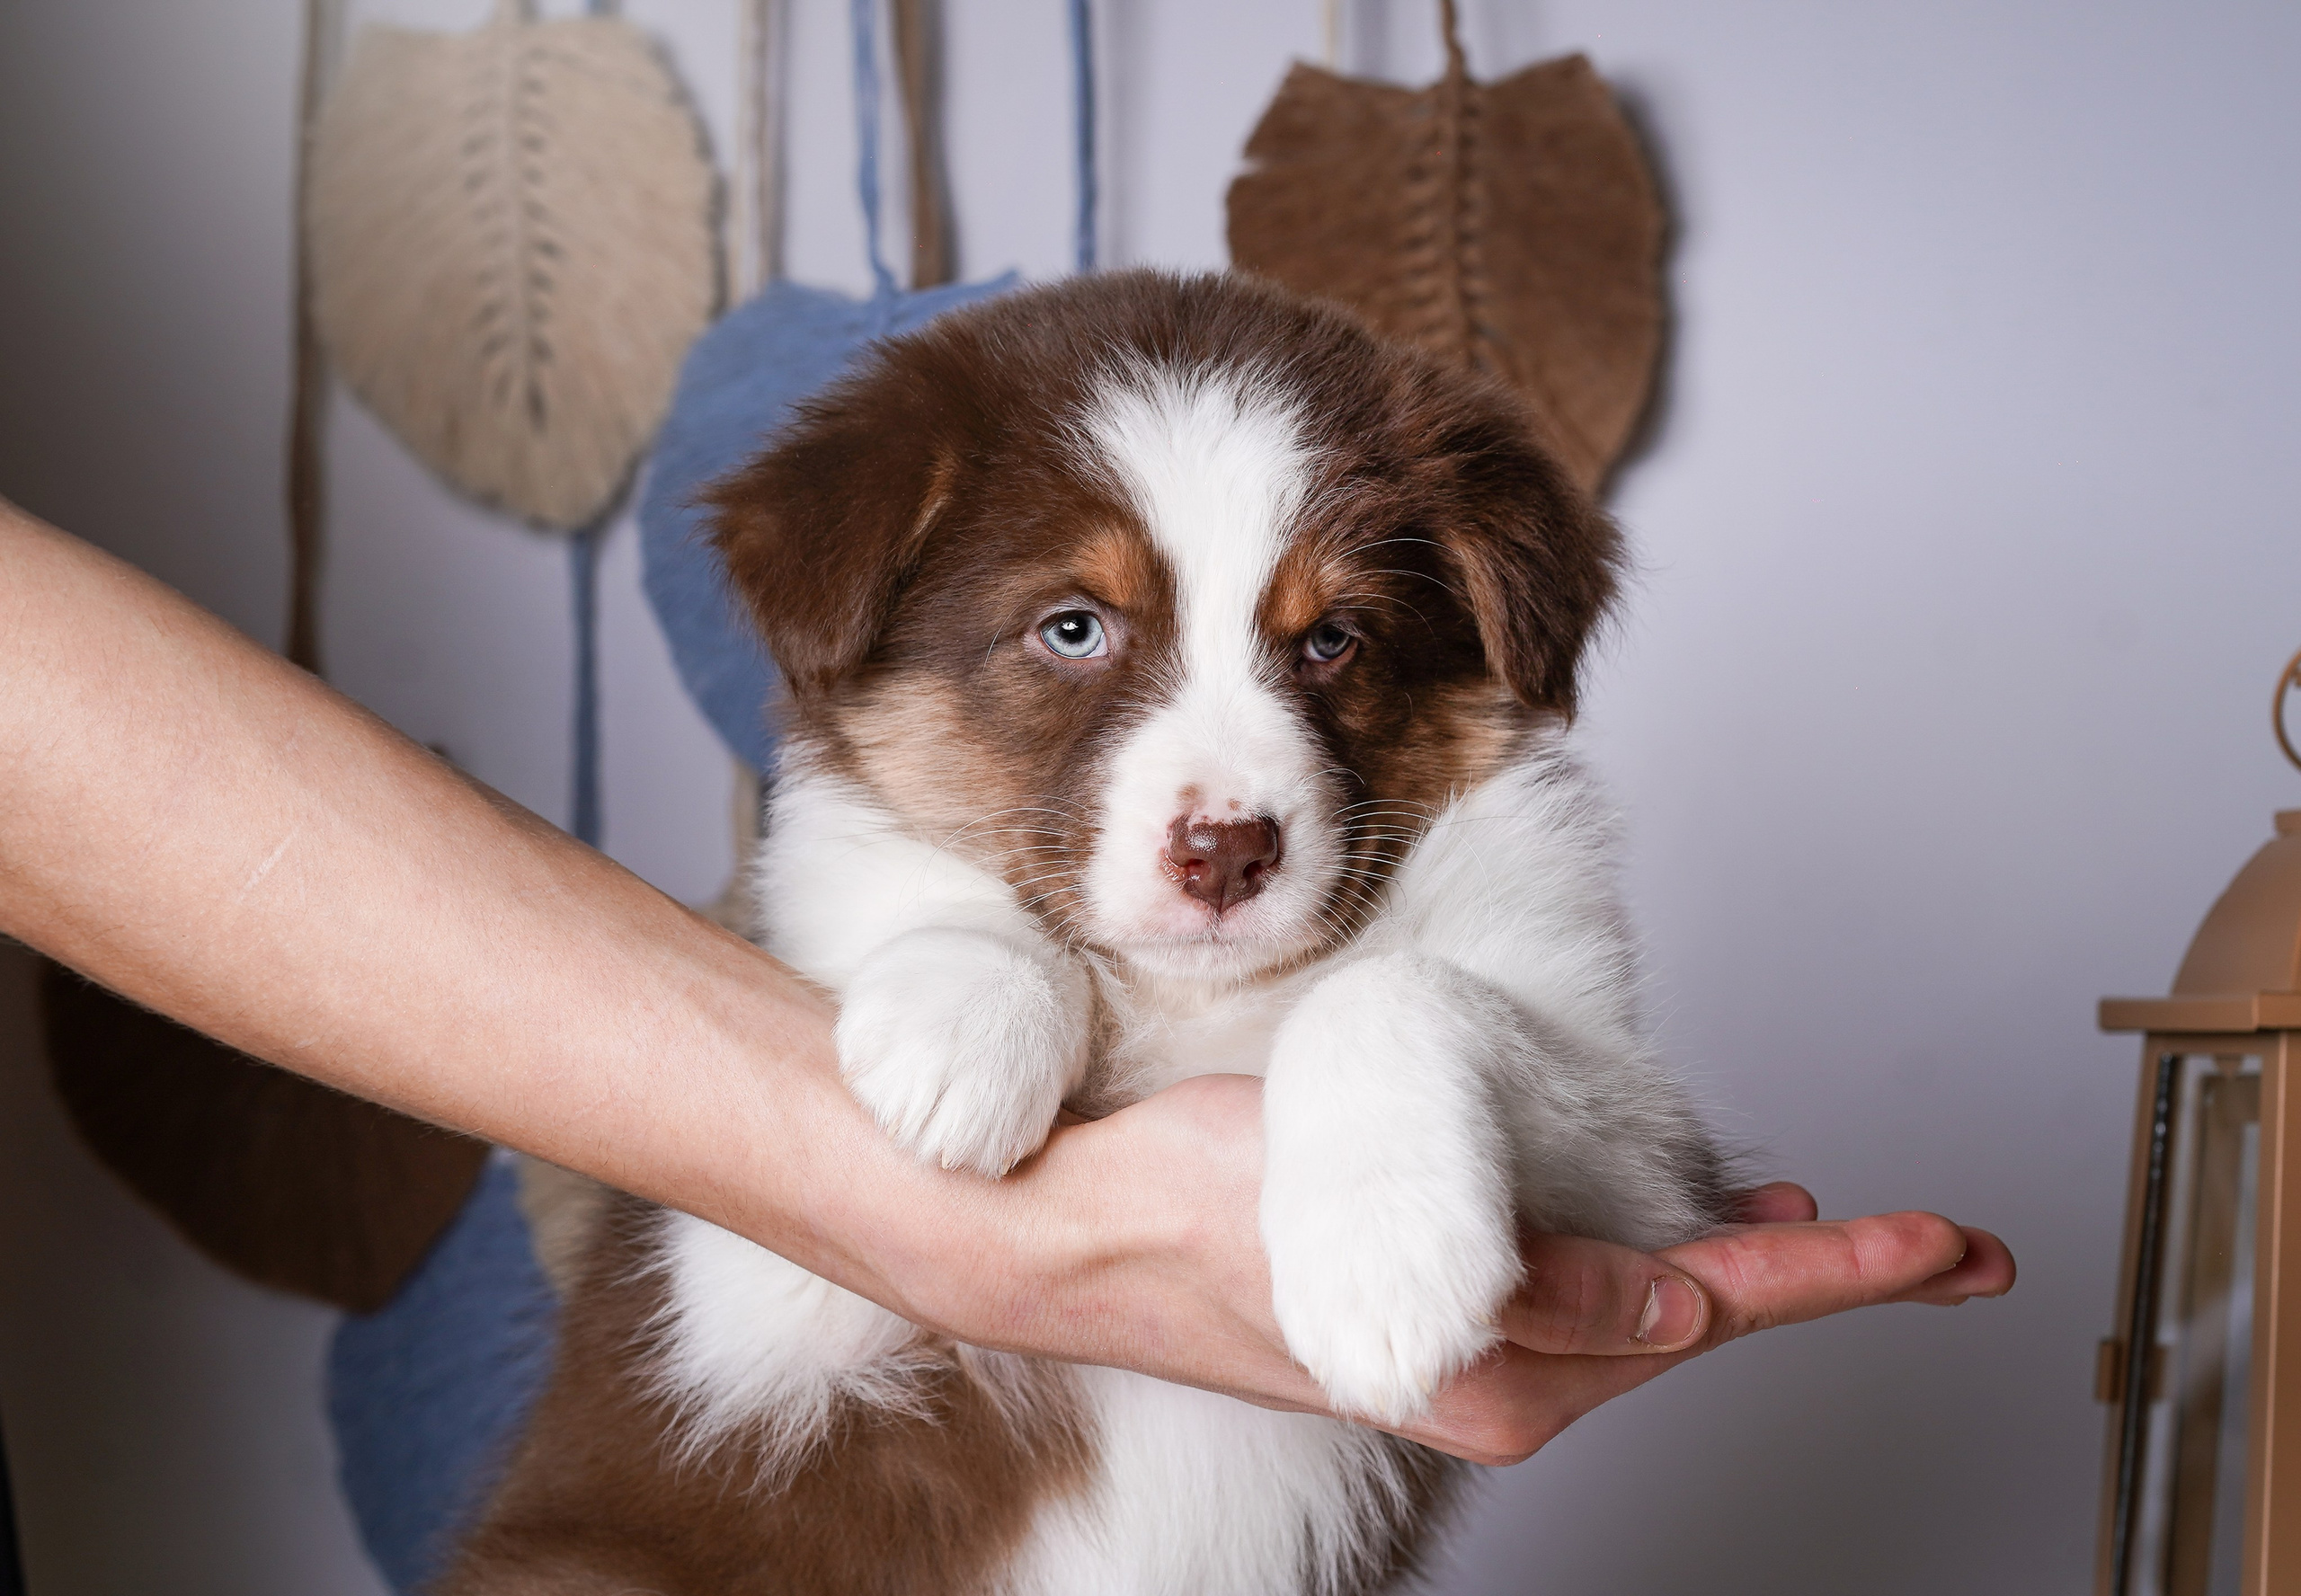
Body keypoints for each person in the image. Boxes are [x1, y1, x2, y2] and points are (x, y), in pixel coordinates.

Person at [0, 496, 2012, 1467]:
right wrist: (974, 977)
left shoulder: (1469, 838)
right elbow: (772, 1308)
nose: (1220, 790)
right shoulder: (896, 865)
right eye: (1070, 626)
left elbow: (1619, 1171)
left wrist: (1400, 1055)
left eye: (1321, 647)